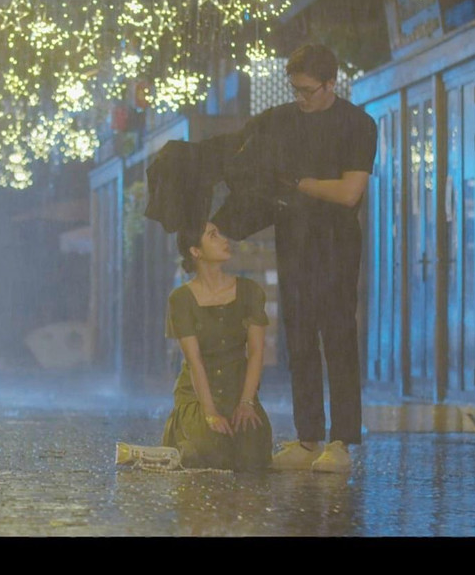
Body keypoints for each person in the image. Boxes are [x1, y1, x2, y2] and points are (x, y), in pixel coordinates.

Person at [230, 44, 376, 474]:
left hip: (336, 243)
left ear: (331, 84)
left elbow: (349, 192)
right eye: (295, 89)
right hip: (293, 238)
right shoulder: (282, 120)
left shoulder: (357, 124)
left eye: (308, 90)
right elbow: (242, 153)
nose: (301, 98)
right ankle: (308, 437)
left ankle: (342, 440)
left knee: (338, 337)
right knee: (298, 339)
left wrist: (297, 182)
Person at [158, 219, 273, 471]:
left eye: (221, 234)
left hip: (238, 391)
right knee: (210, 452)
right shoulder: (181, 299)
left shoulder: (249, 291)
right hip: (199, 395)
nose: (224, 240)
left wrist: (246, 402)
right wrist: (209, 412)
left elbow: (256, 352)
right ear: (195, 251)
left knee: (251, 456)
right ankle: (185, 434)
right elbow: (194, 360)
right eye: (213, 236)